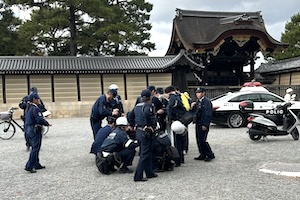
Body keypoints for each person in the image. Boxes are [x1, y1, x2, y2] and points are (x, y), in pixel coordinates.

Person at [128, 89, 158, 182]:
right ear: (150, 97)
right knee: (144, 154)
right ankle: (138, 176)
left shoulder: (137, 106)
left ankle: (149, 172)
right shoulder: (148, 105)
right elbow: (146, 114)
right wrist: (148, 125)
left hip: (139, 131)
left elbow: (129, 116)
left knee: (146, 152)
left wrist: (133, 125)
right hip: (146, 132)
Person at [24, 93, 51, 173]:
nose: (39, 100)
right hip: (35, 130)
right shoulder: (35, 109)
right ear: (34, 100)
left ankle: (36, 163)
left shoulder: (29, 108)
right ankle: (29, 166)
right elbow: (39, 119)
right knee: (35, 148)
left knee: (35, 147)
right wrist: (47, 123)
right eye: (38, 99)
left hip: (29, 129)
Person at [164, 86, 186, 167]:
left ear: (169, 92)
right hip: (181, 120)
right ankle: (182, 158)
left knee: (177, 141)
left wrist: (169, 118)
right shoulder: (178, 96)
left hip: (176, 120)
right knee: (180, 139)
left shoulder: (172, 97)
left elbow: (169, 108)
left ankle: (178, 160)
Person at [191, 87, 215, 162]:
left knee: (203, 140)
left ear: (203, 93)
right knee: (198, 139)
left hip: (203, 123)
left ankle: (209, 154)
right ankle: (202, 153)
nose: (198, 94)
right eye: (197, 93)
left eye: (199, 92)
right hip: (198, 122)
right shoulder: (198, 101)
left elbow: (208, 114)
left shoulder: (206, 101)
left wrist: (205, 124)